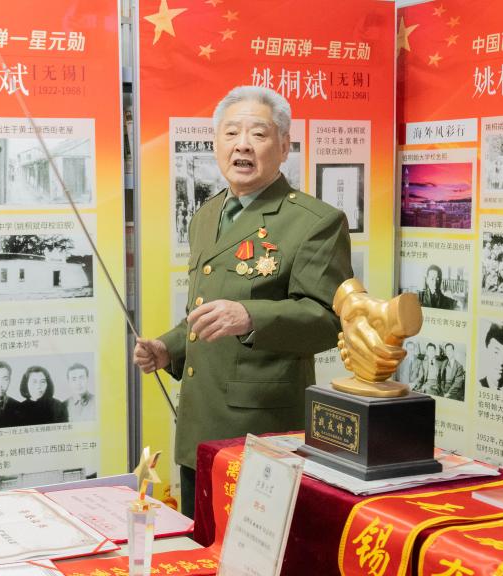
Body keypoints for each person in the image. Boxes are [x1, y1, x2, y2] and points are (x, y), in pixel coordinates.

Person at [132, 86, 352, 518]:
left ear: (284, 146)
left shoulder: (314, 222)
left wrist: (251, 316)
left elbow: (328, 320)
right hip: (199, 426)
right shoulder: (206, 215)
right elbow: (206, 308)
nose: (242, 145)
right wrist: (167, 348)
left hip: (262, 433)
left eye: (258, 134)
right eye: (231, 133)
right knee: (201, 544)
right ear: (217, 143)